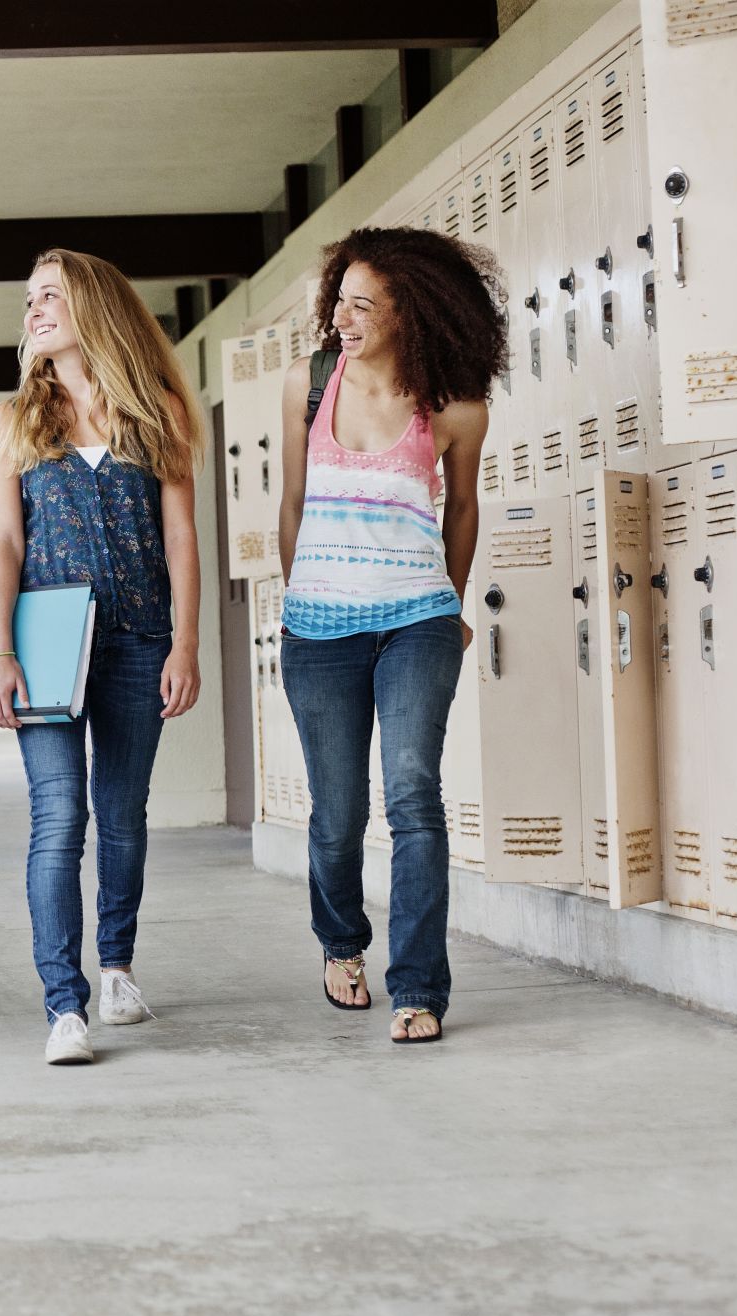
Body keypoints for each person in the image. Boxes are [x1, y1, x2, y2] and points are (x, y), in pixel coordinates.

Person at [277, 226, 505, 1045]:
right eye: (339, 298)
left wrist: (453, 600)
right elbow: (293, 503)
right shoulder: (307, 385)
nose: (342, 315)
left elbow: (465, 507)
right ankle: (342, 941)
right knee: (337, 814)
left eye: (362, 304)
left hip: (416, 619)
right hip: (320, 628)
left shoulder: (454, 405)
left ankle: (419, 985)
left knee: (413, 795)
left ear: (410, 310)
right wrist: (301, 589)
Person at [0, 249, 205, 1066]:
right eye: (29, 297)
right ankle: (62, 1004)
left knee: (123, 815)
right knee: (58, 817)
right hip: (44, 647)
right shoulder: (12, 422)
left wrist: (186, 640)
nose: (34, 309)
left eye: (50, 295)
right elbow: (4, 541)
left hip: (141, 640)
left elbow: (181, 539)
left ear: (93, 309)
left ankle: (116, 967)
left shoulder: (161, 416)